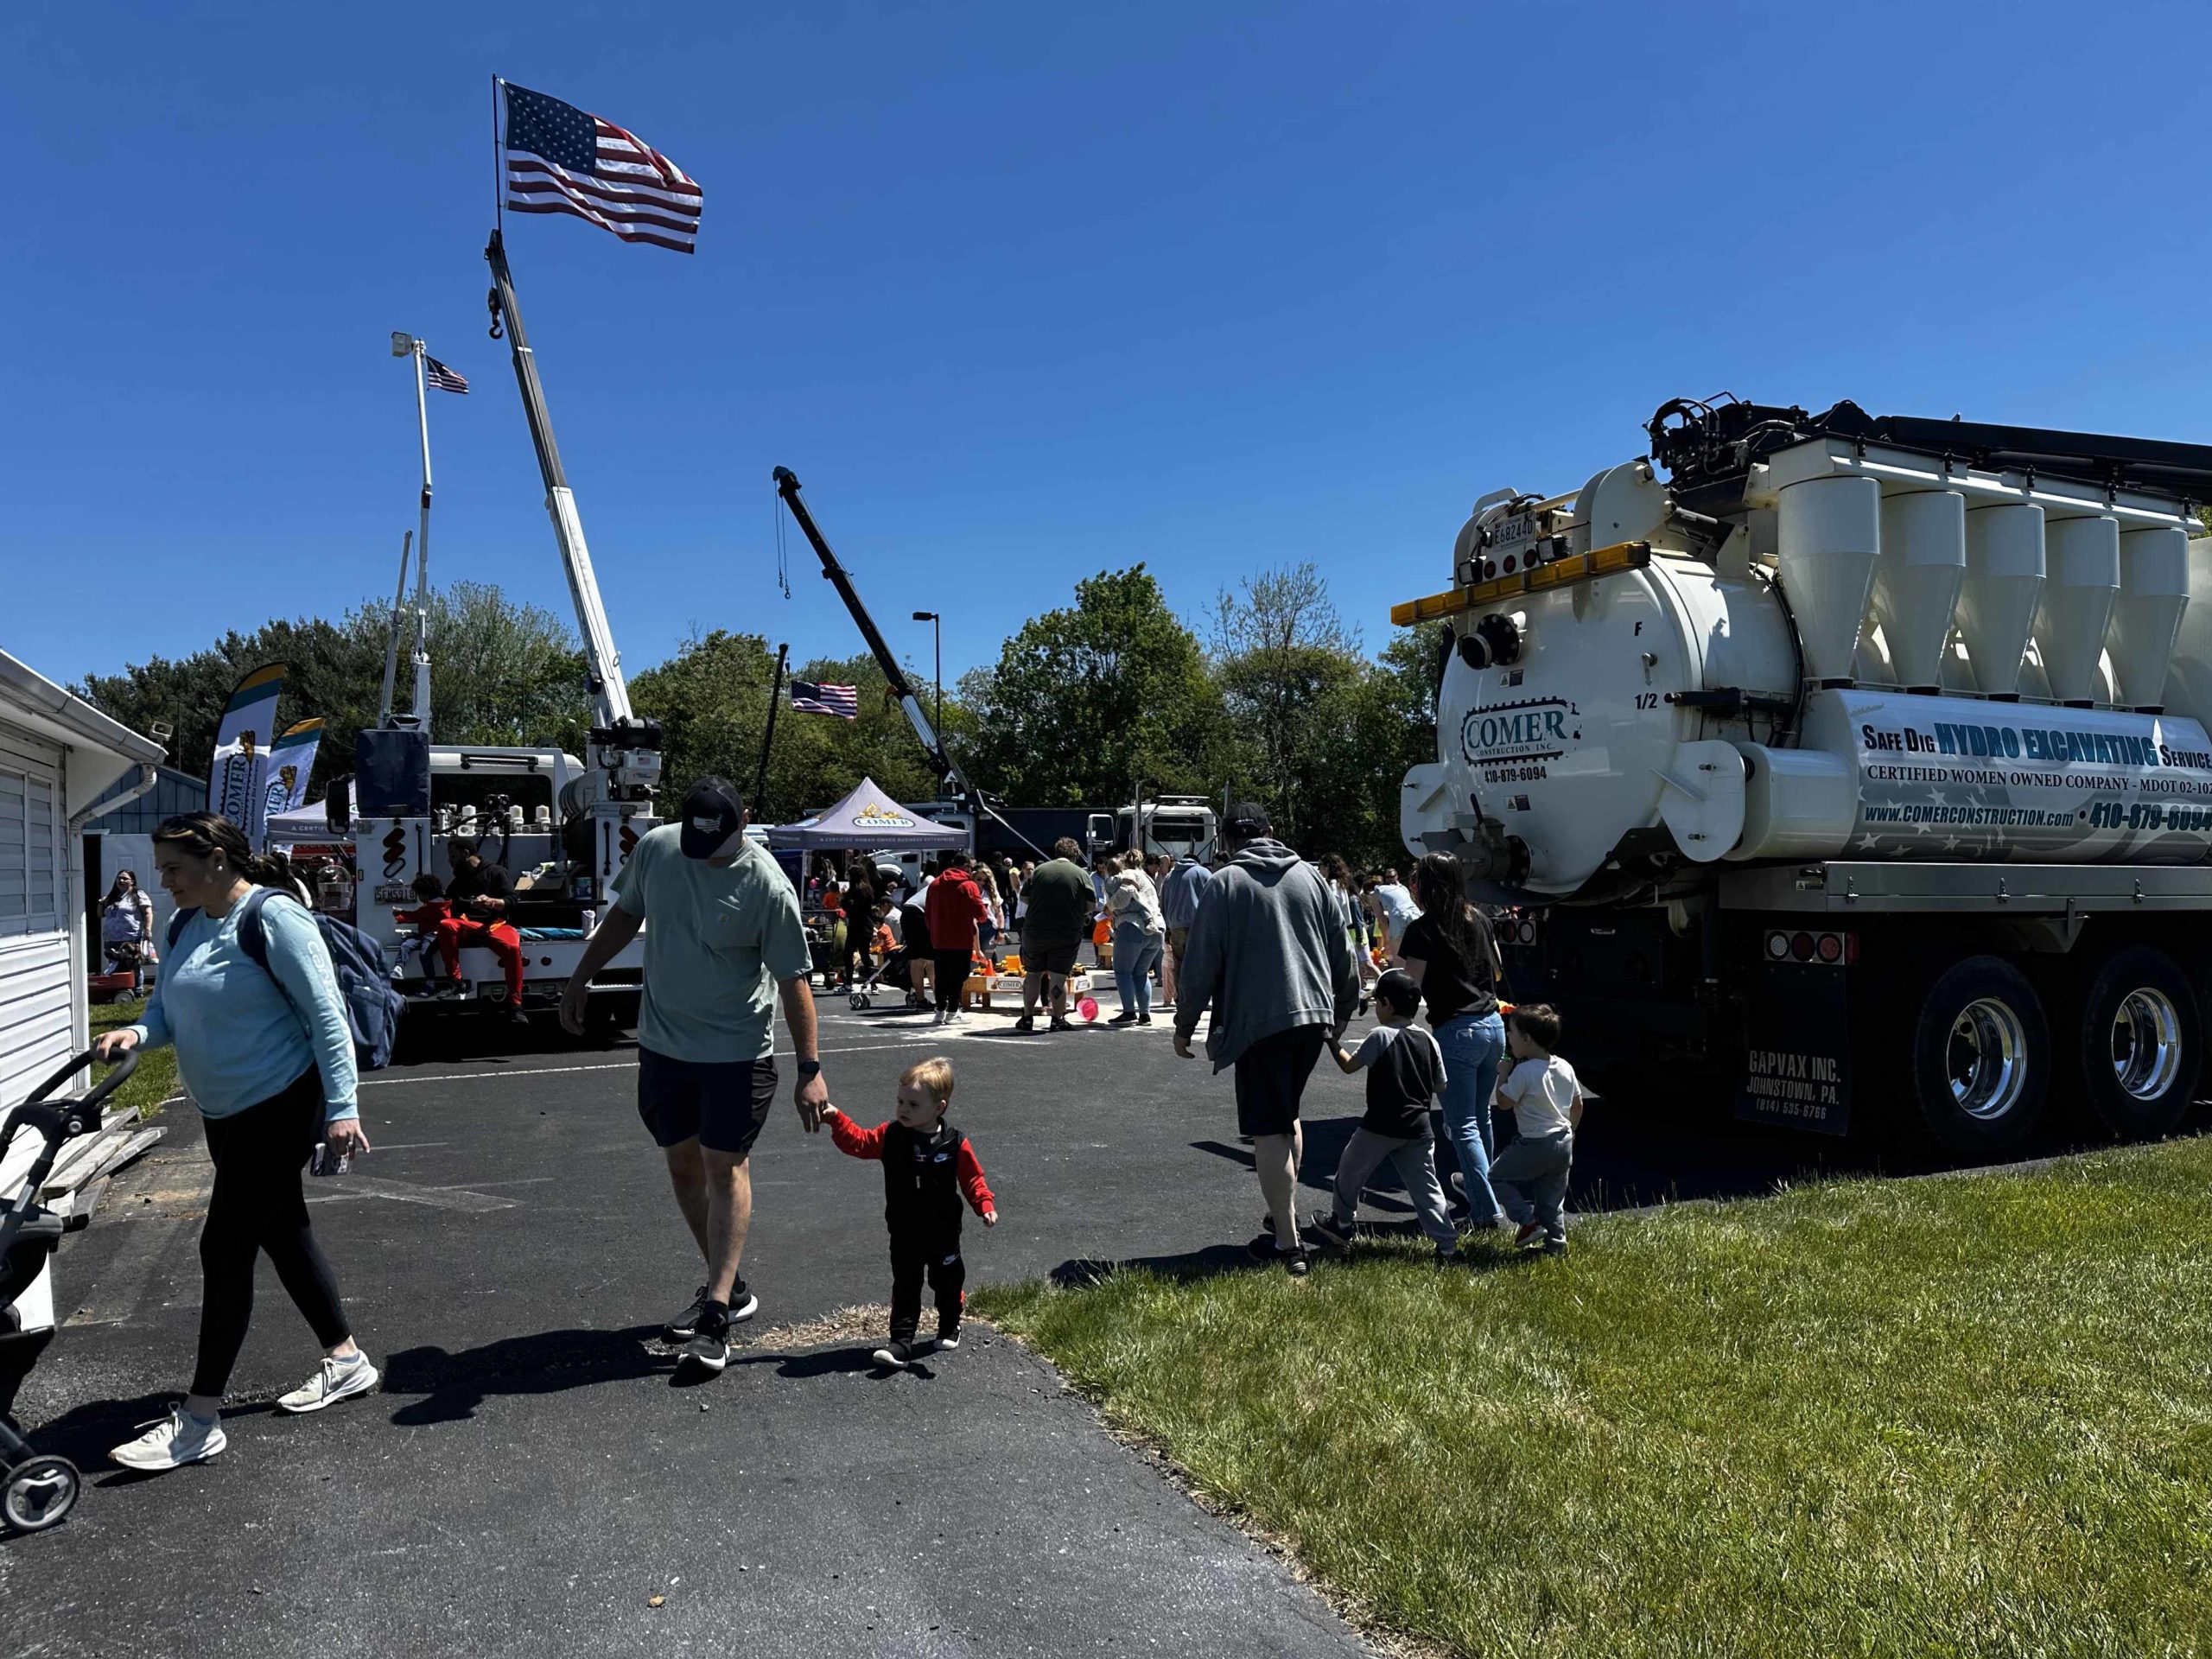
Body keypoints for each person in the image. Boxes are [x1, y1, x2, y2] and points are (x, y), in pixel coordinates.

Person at [92, 813, 375, 1471]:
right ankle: (346, 1360)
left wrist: (343, 1108)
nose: (164, 883)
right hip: (225, 1112)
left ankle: (198, 1421)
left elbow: (326, 1015)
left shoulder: (274, 919)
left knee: (223, 1248)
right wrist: (136, 1033)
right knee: (283, 1232)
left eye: (174, 869)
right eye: (161, 871)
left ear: (217, 860)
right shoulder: (186, 923)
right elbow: (167, 1009)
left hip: (281, 1104)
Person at [558, 779, 827, 1376]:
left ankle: (716, 1317)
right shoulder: (657, 848)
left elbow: (794, 981)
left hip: (736, 1052)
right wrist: (581, 978)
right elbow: (626, 916)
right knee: (681, 1163)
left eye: (721, 842)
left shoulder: (767, 885)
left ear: (745, 820)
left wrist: (810, 1069)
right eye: (698, 842)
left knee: (722, 1165)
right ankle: (729, 1286)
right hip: (663, 1047)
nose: (707, 855)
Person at [1173, 802, 1358, 1274]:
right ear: (1271, 831)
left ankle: (1287, 1244)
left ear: (1229, 841)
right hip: (1312, 1016)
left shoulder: (1226, 883)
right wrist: (1341, 1013)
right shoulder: (1311, 878)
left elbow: (1201, 962)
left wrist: (1184, 1022)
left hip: (1260, 1022)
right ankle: (1285, 1217)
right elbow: (1344, 948)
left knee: (1268, 1127)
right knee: (1288, 1115)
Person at [819, 1056, 997, 1370]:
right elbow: (858, 1142)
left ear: (939, 1108)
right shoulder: (891, 1136)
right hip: (904, 1231)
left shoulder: (954, 1143)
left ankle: (949, 1323)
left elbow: (972, 1178)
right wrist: (836, 1119)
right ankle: (901, 1342)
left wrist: (984, 1205)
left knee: (947, 1281)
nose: (903, 1109)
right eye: (900, 1101)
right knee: (905, 1284)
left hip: (942, 1231)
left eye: (914, 1105)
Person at [1307, 970, 1457, 1262]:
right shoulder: (1428, 1040)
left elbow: (1350, 1066)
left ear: (1387, 1004)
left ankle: (1342, 1223)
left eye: (1377, 1003)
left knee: (1350, 1172)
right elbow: (1442, 1085)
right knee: (1426, 1187)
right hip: (1420, 1127)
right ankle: (1447, 1245)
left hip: (1381, 1124)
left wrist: (1331, 1040)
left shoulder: (1381, 1035)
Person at [1399, 852, 1508, 1234]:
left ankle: (1487, 1211)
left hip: (1456, 1030)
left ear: (1427, 886)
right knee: (1482, 1117)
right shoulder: (1478, 918)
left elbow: (1409, 987)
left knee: (1461, 1125)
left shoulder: (1423, 929)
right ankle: (1484, 1191)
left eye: (1416, 881)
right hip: (1493, 1025)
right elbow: (1495, 967)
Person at [1492, 1003, 1582, 1255]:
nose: (1508, 1036)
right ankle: (1556, 1246)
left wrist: (1503, 1074)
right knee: (1551, 1201)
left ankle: (1527, 1222)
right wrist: (1572, 1132)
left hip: (1535, 1142)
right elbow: (1577, 1104)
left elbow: (1503, 1104)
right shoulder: (1565, 1066)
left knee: (1497, 1177)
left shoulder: (1523, 1071)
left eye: (1511, 1032)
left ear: (1527, 1039)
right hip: (1563, 1141)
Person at [435, 834, 527, 1025]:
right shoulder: (459, 880)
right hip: (468, 924)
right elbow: (447, 903)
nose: (450, 861)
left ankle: (515, 1006)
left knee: (512, 949)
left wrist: (491, 902)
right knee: (446, 925)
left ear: (466, 853)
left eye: (453, 856)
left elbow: (512, 901)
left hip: (495, 924)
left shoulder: (495, 872)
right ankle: (456, 982)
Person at [1015, 838, 1090, 1033]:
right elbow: (1091, 905)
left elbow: (1024, 897)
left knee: (1033, 974)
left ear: (1056, 852)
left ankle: (1027, 1017)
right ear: (1075, 855)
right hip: (1066, 931)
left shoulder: (1039, 871)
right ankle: (1057, 1019)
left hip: (1035, 930)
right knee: (1058, 976)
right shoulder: (1081, 874)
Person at [923, 851, 989, 1027]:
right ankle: (952, 1011)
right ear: (966, 866)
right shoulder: (969, 885)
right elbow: (980, 913)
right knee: (958, 976)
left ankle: (940, 1011)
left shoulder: (935, 884)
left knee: (941, 976)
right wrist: (982, 916)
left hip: (940, 938)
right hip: (961, 938)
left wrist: (934, 931)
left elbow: (927, 912)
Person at [1105, 849, 1166, 1027]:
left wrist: (1110, 906)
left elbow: (1126, 893)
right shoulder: (1147, 876)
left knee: (1123, 972)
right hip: (1156, 929)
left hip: (1132, 927)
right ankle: (1144, 1014)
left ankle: (1129, 1012)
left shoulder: (1127, 874)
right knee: (1141, 973)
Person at [1157, 849, 1213, 1013]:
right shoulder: (1204, 873)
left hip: (1176, 928)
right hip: (1199, 927)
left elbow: (1163, 903)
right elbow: (1212, 900)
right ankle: (1200, 999)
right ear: (1197, 861)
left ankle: (1181, 999)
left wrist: (1168, 928)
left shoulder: (1170, 877)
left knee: (1179, 965)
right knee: (1200, 965)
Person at [99, 868, 156, 990]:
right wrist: (101, 903)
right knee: (114, 964)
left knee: (133, 965)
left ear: (132, 881)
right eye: (119, 878)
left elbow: (148, 913)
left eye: (125, 878)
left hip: (129, 938)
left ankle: (137, 989)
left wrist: (147, 929)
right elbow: (100, 914)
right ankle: (119, 988)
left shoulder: (137, 894)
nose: (121, 880)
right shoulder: (113, 896)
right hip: (111, 937)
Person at [391, 872, 450, 987]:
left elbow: (418, 915)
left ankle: (430, 982)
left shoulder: (436, 905)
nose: (418, 897)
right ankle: (398, 969)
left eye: (419, 895)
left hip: (434, 935)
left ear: (426, 894)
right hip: (424, 935)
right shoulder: (433, 904)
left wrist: (401, 913)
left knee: (424, 954)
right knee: (406, 945)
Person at [1369, 868, 1420, 964]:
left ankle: (1399, 978)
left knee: (1398, 959)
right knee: (1416, 955)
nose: (1389, 879)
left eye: (1391, 877)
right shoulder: (1403, 889)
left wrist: (1387, 942)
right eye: (1387, 877)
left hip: (1398, 917)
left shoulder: (1375, 893)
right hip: (1416, 915)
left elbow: (1382, 921)